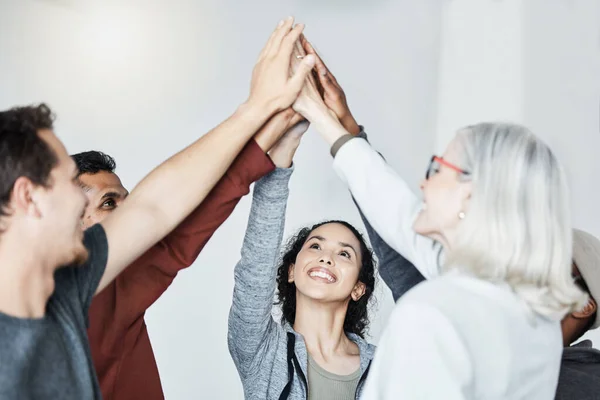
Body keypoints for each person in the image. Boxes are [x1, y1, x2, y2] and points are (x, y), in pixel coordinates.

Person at [0, 17, 316, 399]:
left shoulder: (69, 288)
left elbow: (155, 208)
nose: (77, 201)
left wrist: (259, 111)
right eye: (68, 184)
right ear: (27, 197)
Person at [292, 36, 587, 399]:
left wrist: (312, 107)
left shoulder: (432, 315)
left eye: (437, 168)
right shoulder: (530, 317)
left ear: (470, 192)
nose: (423, 182)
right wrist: (333, 120)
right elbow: (396, 210)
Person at [72, 108, 302, 400]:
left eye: (127, 203)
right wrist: (267, 122)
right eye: (108, 203)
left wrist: (274, 140)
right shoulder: (93, 292)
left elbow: (181, 228)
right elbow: (179, 234)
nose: (129, 215)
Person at [227, 114, 377, 399]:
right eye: (315, 246)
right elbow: (255, 268)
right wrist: (286, 145)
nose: (326, 257)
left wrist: (351, 140)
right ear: (291, 271)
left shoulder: (383, 367)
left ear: (358, 288)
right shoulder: (263, 351)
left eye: (344, 253)